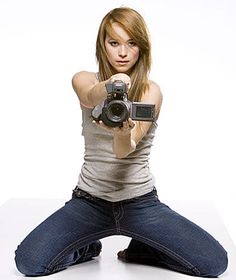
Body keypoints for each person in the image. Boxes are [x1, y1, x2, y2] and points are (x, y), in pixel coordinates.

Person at [15, 7, 228, 277]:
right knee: (29, 262)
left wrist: (122, 133)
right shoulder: (84, 79)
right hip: (89, 202)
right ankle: (85, 247)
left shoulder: (151, 91)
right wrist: (112, 86)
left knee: (214, 263)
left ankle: (143, 248)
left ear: (142, 48)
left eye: (131, 43)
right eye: (114, 43)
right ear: (102, 45)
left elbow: (125, 150)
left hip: (140, 203)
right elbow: (91, 95)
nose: (123, 52)